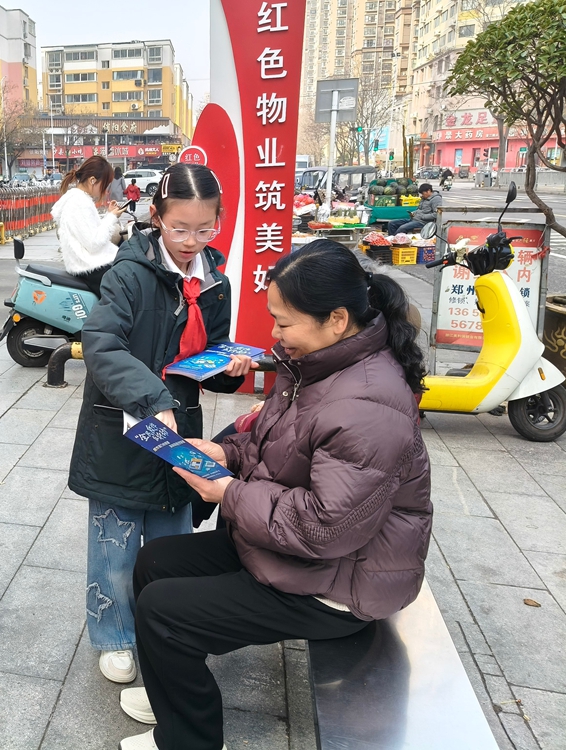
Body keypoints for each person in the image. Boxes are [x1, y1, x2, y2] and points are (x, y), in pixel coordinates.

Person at [118, 239, 432, 750]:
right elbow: (277, 446)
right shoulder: (317, 365)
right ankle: (169, 690)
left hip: (341, 583)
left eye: (284, 323)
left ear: (336, 319)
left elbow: (324, 527)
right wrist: (226, 454)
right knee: (155, 562)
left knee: (163, 611)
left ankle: (189, 741)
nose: (274, 334)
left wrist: (227, 492)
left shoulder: (368, 404)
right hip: (301, 553)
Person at [69, 163, 257, 686]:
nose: (191, 242)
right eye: (179, 229)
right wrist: (153, 398)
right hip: (122, 430)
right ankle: (114, 635)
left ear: (218, 221)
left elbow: (208, 353)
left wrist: (228, 367)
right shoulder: (128, 274)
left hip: (180, 428)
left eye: (204, 230)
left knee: (169, 544)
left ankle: (159, 629)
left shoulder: (214, 279)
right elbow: (101, 346)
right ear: (156, 217)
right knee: (115, 543)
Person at [51, 155, 125, 294]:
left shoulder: (77, 199)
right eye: (105, 184)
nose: (106, 190)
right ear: (92, 181)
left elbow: (90, 233)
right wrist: (112, 217)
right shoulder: (79, 202)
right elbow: (93, 243)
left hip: (86, 265)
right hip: (91, 267)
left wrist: (109, 214)